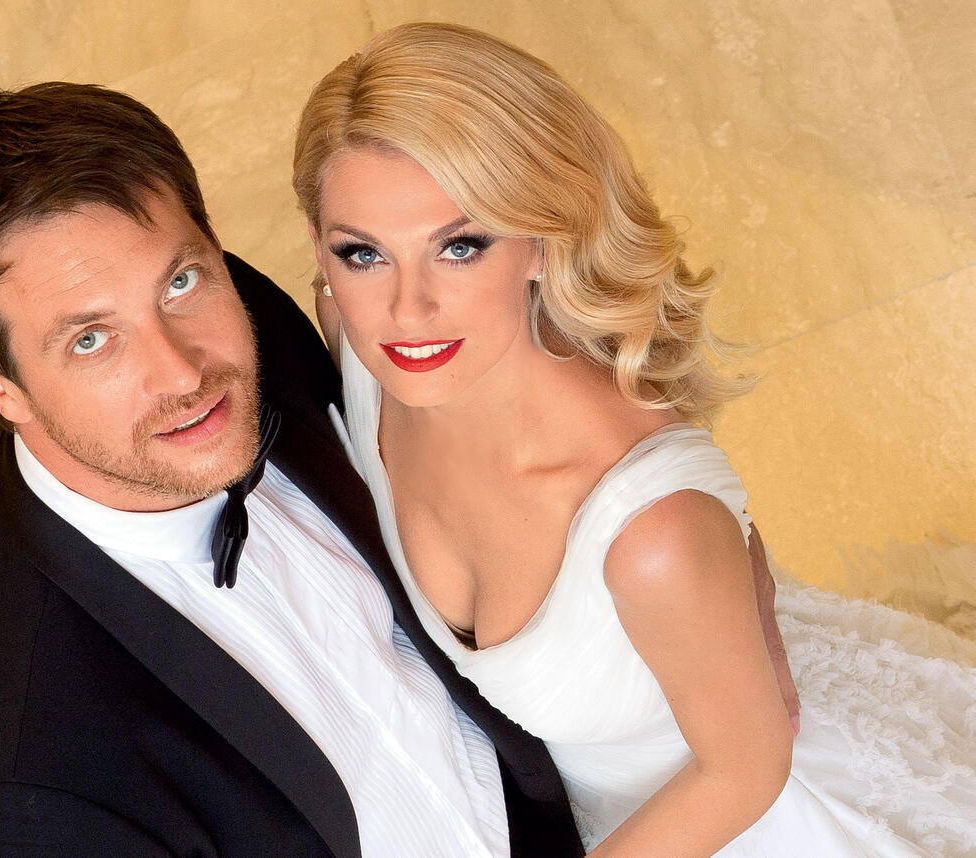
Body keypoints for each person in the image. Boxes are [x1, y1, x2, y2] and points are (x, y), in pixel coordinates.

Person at [292, 21, 976, 858]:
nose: (409, 310)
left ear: (543, 241)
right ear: (322, 251)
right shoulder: (361, 350)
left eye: (460, 246)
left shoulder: (648, 530)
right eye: (363, 254)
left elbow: (742, 773)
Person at [0, 81, 587, 857]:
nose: (183, 372)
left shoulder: (237, 310)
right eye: (91, 340)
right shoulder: (18, 796)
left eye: (180, 283)